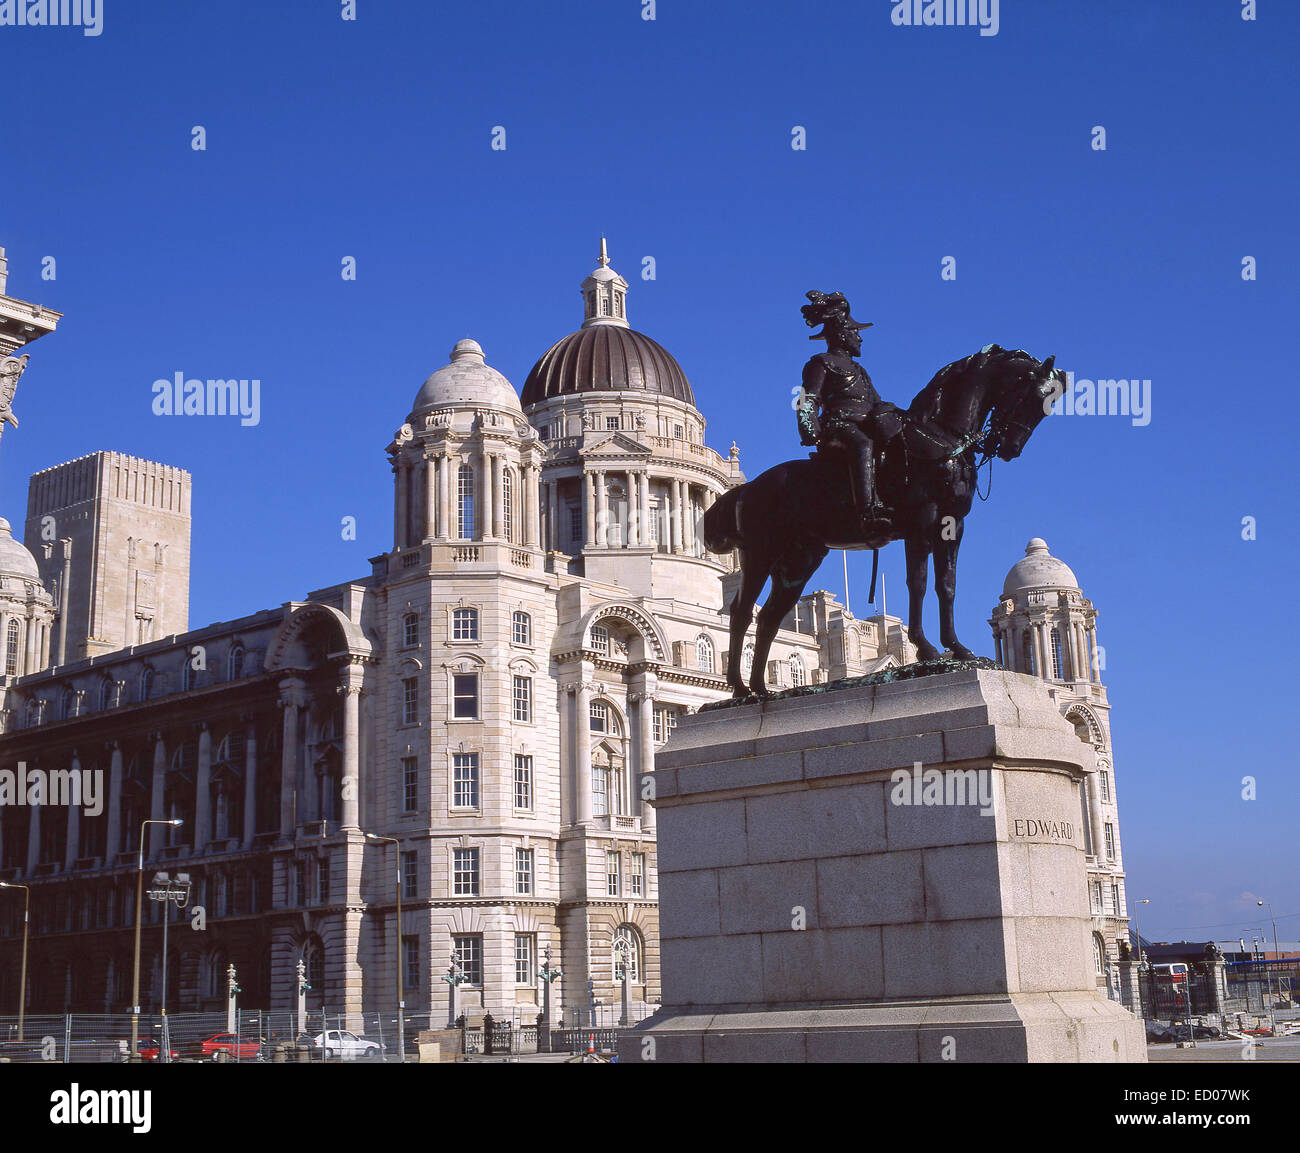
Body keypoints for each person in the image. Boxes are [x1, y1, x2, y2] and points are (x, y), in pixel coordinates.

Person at [795, 291, 903, 536]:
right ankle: (868, 511)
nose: (860, 339)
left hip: (866, 424)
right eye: (856, 333)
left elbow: (876, 401)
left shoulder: (859, 370)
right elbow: (807, 398)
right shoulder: (821, 363)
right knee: (863, 444)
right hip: (839, 428)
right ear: (842, 335)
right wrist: (810, 428)